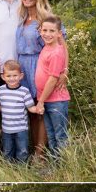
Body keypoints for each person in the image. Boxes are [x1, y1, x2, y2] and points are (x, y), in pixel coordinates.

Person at [16, 0, 68, 158]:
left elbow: (62, 45)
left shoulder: (45, 18)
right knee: (30, 110)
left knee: (41, 110)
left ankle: (40, 155)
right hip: (23, 66)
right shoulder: (23, 16)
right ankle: (34, 149)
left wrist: (65, 71)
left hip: (40, 65)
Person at [34, 15, 70, 158]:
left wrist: (41, 101)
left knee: (60, 135)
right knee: (51, 134)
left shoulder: (56, 52)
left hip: (56, 100)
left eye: (52, 31)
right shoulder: (46, 48)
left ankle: (65, 165)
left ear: (59, 34)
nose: (47, 34)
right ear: (40, 31)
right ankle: (56, 164)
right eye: (44, 30)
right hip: (48, 100)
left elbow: (53, 79)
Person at [0, 60, 38, 163]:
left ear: (21, 76)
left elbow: (30, 108)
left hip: (21, 129)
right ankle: (8, 169)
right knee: (7, 150)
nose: (12, 79)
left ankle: (22, 169)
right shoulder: (1, 90)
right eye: (9, 76)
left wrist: (38, 109)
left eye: (15, 75)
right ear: (3, 77)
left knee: (22, 150)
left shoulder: (24, 91)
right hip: (6, 128)